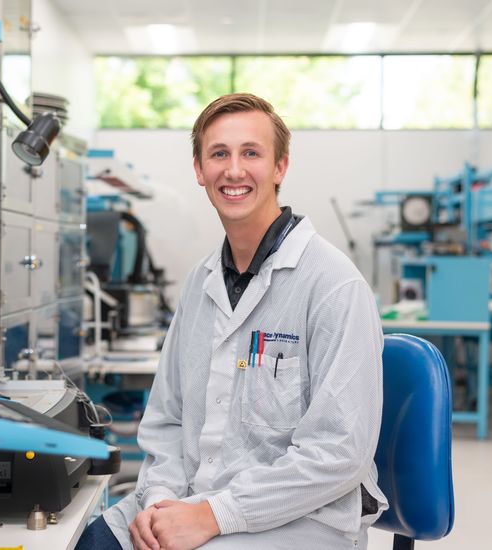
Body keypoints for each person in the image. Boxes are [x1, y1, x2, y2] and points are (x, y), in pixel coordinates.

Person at [76, 93, 388, 550]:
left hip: (300, 517)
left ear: (280, 167)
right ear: (200, 170)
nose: (234, 170)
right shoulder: (201, 284)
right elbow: (166, 419)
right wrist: (160, 501)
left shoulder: (334, 285)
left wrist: (214, 515)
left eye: (251, 153)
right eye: (219, 154)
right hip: (189, 499)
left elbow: (339, 452)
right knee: (93, 543)